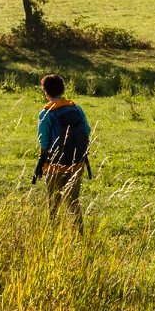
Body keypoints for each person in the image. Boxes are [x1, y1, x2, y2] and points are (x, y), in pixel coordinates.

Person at [34, 73, 91, 232]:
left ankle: (52, 232)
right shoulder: (76, 108)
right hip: (77, 162)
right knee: (73, 201)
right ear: (63, 89)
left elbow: (43, 140)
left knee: (53, 200)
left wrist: (42, 160)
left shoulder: (46, 112)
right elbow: (87, 130)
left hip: (55, 163)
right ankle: (80, 233)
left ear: (45, 91)